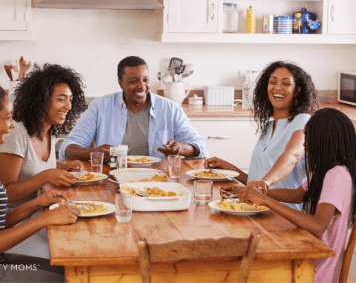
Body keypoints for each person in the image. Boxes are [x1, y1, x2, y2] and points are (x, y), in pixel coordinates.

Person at [236, 108, 356, 283]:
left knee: (247, 270)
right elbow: (297, 195)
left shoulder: (337, 175)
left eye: (308, 140)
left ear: (324, 142)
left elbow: (317, 226)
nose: (305, 146)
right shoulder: (325, 170)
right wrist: (259, 192)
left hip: (315, 273)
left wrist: (265, 200)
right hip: (308, 260)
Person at [206, 61, 319, 210]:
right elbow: (257, 183)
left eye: (286, 84)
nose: (277, 87)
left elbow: (293, 156)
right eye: (273, 82)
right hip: (259, 209)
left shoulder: (303, 120)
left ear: (297, 91)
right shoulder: (269, 127)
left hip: (285, 215)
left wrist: (265, 182)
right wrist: (230, 169)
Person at [59, 56, 208, 162]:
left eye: (145, 79)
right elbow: (66, 148)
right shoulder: (100, 107)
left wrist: (180, 148)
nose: (142, 86)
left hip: (158, 180)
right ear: (120, 83)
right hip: (112, 179)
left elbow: (201, 147)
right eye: (133, 81)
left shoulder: (170, 109)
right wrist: (93, 153)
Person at [0, 86, 80, 282]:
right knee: (69, 274)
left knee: (70, 266)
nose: (12, 125)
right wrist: (44, 219)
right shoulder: (19, 134)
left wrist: (38, 203)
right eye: (8, 117)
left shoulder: (50, 132)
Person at [0, 64, 87, 208]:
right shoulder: (16, 134)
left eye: (70, 100)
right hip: (17, 220)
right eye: (61, 99)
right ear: (42, 100)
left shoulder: (50, 131)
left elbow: (30, 165)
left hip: (44, 209)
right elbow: (6, 194)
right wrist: (46, 176)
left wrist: (62, 166)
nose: (69, 106)